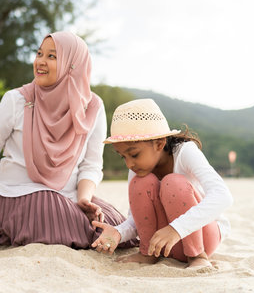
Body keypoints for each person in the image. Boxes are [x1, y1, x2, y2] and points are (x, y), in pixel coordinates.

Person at [0, 32, 135, 248]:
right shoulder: (17, 100)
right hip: (16, 192)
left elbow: (91, 164)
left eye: (52, 56)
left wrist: (84, 198)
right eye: (39, 53)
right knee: (52, 213)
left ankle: (3, 231)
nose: (40, 61)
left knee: (110, 223)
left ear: (73, 64)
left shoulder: (93, 107)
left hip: (69, 196)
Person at [92, 99, 233, 269]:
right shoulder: (138, 168)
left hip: (200, 237)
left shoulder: (185, 152)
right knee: (140, 182)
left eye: (134, 154)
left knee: (172, 183)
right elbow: (138, 218)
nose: (129, 164)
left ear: (159, 143)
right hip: (161, 245)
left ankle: (197, 257)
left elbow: (223, 196)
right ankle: (147, 254)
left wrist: (177, 228)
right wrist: (118, 232)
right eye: (123, 157)